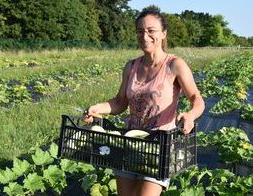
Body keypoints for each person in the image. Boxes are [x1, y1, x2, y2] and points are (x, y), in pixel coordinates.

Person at [83, 8, 205, 196]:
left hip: (160, 146)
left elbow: (197, 100)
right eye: (140, 31)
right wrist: (97, 108)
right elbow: (119, 102)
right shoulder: (131, 66)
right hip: (129, 141)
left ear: (163, 34)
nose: (144, 36)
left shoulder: (175, 65)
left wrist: (190, 115)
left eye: (151, 30)